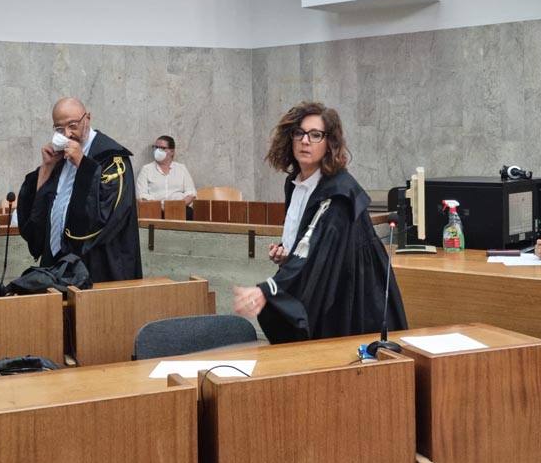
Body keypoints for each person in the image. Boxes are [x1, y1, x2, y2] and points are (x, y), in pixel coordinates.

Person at [232, 102, 408, 343]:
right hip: (325, 281)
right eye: (299, 133)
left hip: (354, 295)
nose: (305, 141)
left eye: (315, 135)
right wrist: (288, 253)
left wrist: (267, 289)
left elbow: (321, 251)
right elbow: (310, 240)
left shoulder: (339, 192)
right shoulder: (294, 184)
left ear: (329, 144)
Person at [17, 97, 142, 282]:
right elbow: (38, 210)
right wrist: (47, 167)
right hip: (57, 266)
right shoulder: (59, 158)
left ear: (87, 118)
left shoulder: (113, 160)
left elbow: (108, 216)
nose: (67, 134)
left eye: (73, 126)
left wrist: (82, 164)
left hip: (98, 264)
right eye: (59, 129)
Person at [135, 135, 197, 220]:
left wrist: (177, 206)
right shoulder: (146, 169)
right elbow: (141, 194)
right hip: (155, 209)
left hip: (179, 208)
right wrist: (161, 207)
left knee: (190, 213)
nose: (157, 151)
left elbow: (191, 193)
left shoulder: (181, 168)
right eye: (156, 147)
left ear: (172, 151)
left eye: (162, 148)